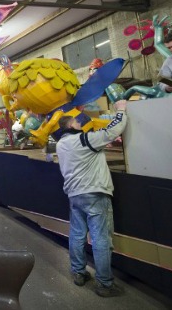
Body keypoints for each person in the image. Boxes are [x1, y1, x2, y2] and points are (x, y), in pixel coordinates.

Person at [55, 99, 128, 298]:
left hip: (75, 195)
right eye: (77, 121)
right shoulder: (85, 139)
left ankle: (79, 273)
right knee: (101, 239)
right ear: (70, 125)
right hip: (95, 194)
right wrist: (120, 111)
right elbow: (114, 129)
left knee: (77, 235)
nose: (81, 122)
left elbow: (90, 150)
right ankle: (104, 284)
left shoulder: (61, 144)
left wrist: (105, 142)